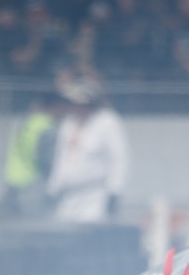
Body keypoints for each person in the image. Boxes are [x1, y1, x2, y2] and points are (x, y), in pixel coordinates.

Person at [46, 78, 128, 222]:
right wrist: (53, 188)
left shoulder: (107, 123)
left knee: (88, 234)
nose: (78, 108)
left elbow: (118, 159)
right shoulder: (69, 124)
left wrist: (115, 190)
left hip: (95, 196)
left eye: (82, 104)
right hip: (68, 196)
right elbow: (61, 157)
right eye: (75, 104)